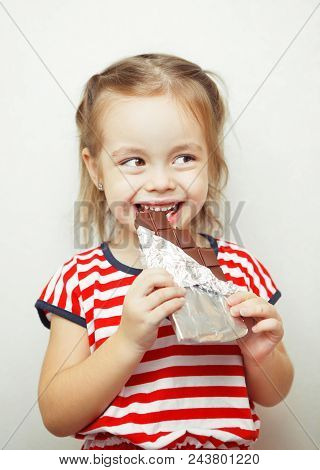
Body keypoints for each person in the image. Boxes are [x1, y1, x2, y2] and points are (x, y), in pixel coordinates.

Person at [34, 53, 294, 451]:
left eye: (184, 158)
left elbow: (274, 395)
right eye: (133, 161)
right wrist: (127, 340)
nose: (160, 181)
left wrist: (260, 352)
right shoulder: (80, 280)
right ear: (95, 169)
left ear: (212, 160)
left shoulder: (242, 269)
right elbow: (55, 415)